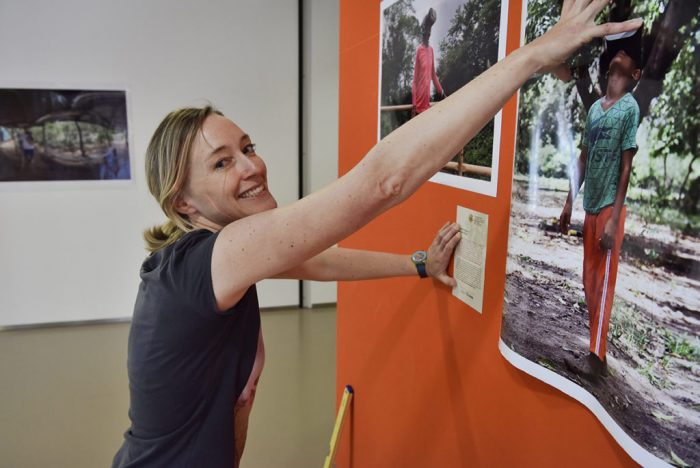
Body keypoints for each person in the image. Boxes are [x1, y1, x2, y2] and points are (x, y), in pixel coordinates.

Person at [113, 2, 642, 466]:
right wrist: (533, 56)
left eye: (248, 148)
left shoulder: (213, 259)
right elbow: (382, 182)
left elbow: (319, 261)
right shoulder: (211, 260)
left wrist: (417, 265)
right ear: (182, 202)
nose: (251, 168)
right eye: (221, 163)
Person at [559, 30, 642, 378]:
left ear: (635, 76)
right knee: (589, 282)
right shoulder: (594, 109)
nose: (619, 59)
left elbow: (626, 167)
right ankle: (596, 352)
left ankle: (596, 358)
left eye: (626, 66)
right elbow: (582, 158)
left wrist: (612, 221)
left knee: (604, 283)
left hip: (610, 207)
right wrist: (568, 204)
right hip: (590, 206)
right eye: (615, 63)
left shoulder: (630, 108)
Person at [412, 7, 445, 115]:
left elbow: (433, 76)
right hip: (418, 105)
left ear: (430, 35)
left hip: (427, 104)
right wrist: (414, 104)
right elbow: (415, 80)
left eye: (428, 34)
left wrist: (441, 92)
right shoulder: (419, 50)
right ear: (423, 34)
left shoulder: (431, 50)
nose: (426, 36)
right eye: (425, 34)